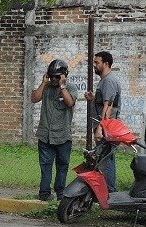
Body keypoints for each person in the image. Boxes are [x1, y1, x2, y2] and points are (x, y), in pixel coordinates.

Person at [31, 59, 77, 201]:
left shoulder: (70, 88)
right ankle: (44, 194)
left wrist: (62, 87)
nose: (54, 79)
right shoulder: (47, 87)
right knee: (45, 166)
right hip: (45, 135)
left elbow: (70, 102)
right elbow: (34, 98)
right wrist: (44, 82)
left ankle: (60, 193)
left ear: (64, 75)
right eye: (52, 76)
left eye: (57, 76)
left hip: (63, 135)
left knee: (62, 166)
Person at [84, 51, 122, 192]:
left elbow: (109, 106)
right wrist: (93, 98)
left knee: (106, 160)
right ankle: (107, 191)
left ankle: (110, 192)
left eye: (96, 62)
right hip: (107, 127)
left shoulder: (109, 81)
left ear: (106, 64)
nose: (94, 65)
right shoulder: (106, 80)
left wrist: (100, 128)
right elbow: (105, 102)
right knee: (105, 158)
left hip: (106, 128)